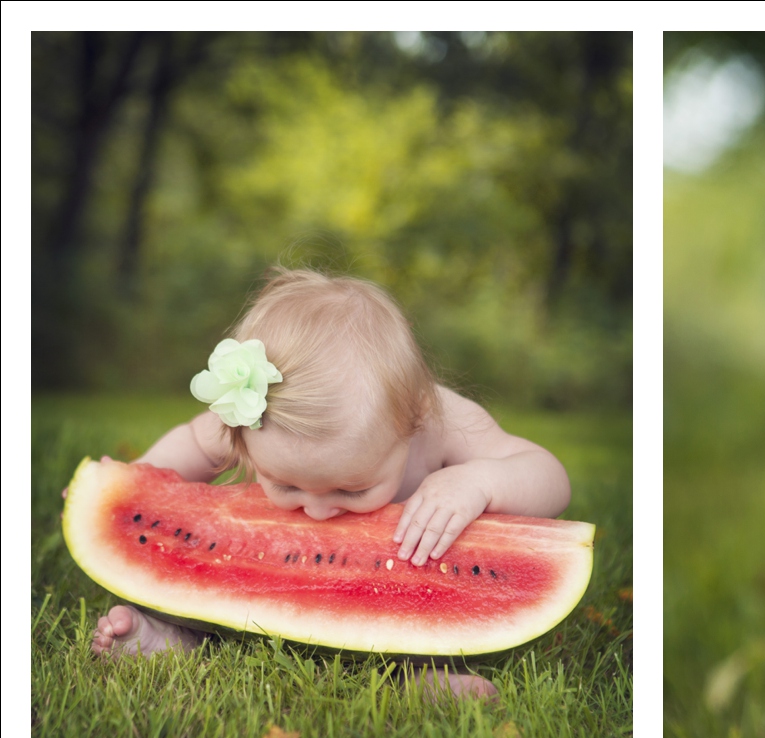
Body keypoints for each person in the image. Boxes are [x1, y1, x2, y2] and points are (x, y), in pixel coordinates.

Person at [91, 269, 574, 701]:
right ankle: (170, 640)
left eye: (350, 491)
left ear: (412, 421)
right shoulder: (253, 418)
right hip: (258, 586)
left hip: (396, 599)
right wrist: (128, 488)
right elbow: (189, 445)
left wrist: (481, 480)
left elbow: (548, 476)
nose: (318, 511)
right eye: (285, 485)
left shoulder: (439, 419)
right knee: (197, 591)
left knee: (420, 622)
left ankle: (423, 676)